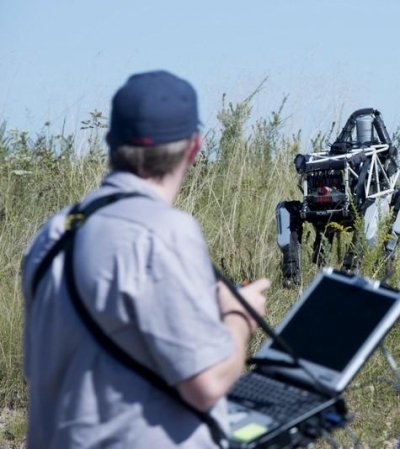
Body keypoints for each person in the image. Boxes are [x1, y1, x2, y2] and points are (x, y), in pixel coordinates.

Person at [20, 70, 270, 448]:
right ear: (194, 148)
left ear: (111, 143)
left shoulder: (53, 233)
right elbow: (208, 385)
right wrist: (240, 315)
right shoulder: (165, 233)